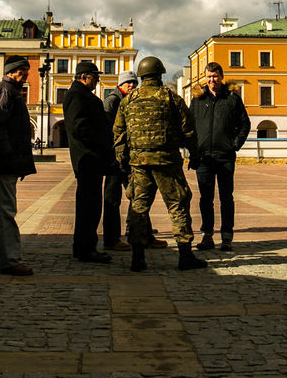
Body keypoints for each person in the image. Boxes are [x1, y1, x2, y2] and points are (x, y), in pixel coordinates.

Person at [113, 56, 206, 272]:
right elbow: (189, 130)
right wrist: (195, 154)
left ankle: (137, 258)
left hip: (139, 164)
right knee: (178, 206)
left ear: (142, 75)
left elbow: (119, 134)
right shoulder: (171, 98)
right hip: (167, 163)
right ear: (160, 74)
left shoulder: (128, 100)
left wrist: (123, 162)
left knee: (138, 208)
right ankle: (185, 255)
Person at [0, 55, 37, 276]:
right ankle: (11, 260)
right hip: (3, 163)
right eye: (23, 71)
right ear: (13, 71)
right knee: (7, 211)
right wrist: (10, 157)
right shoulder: (4, 91)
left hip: (4, 161)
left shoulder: (9, 90)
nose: (26, 76)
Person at [190, 62, 251, 251]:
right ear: (204, 77)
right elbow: (189, 125)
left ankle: (226, 237)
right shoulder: (198, 99)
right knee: (205, 198)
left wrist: (234, 145)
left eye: (215, 76)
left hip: (225, 157)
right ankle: (207, 236)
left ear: (221, 76)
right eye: (208, 76)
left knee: (226, 198)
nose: (211, 80)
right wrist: (193, 150)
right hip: (203, 159)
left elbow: (245, 124)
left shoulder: (232, 98)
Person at [102, 70, 165, 251]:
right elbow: (110, 131)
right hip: (115, 159)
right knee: (113, 199)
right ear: (120, 84)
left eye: (134, 83)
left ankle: (142, 234)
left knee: (139, 196)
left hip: (130, 158)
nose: (132, 86)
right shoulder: (112, 101)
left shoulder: (131, 100)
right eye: (128, 83)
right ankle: (112, 239)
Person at [64, 61, 116, 263]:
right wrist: (99, 144)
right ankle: (86, 248)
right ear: (84, 76)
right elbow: (80, 128)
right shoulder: (78, 96)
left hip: (89, 158)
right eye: (95, 76)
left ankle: (83, 247)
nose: (98, 80)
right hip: (88, 159)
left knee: (90, 205)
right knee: (90, 207)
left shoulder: (80, 95)